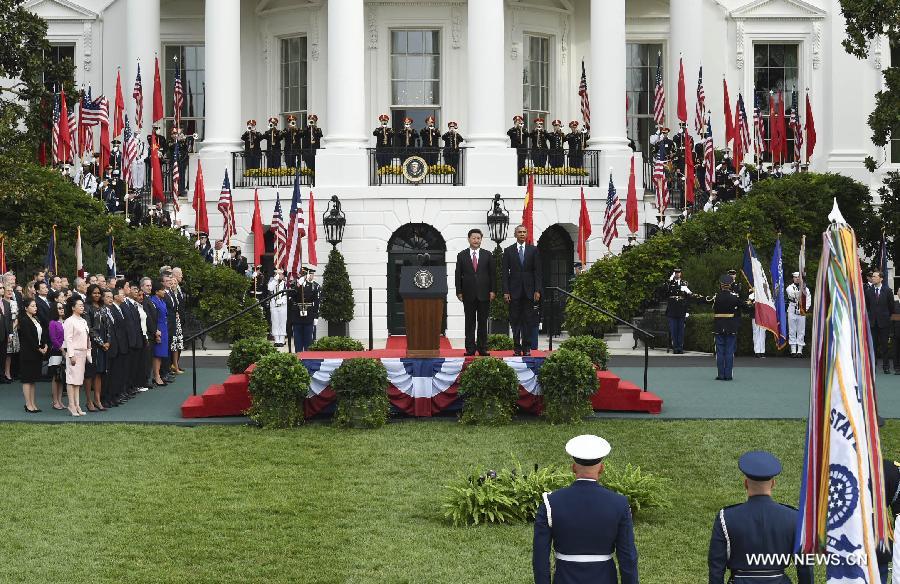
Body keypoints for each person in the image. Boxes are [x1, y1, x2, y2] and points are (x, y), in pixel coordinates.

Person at [533, 434, 638, 584]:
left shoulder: (550, 502)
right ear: (601, 468)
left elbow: (540, 559)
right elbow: (628, 557)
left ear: (573, 467)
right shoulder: (619, 503)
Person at [708, 451, 813, 584]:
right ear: (773, 483)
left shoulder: (726, 517)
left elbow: (716, 567)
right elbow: (805, 567)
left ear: (746, 484)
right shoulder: (794, 517)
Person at [502, 225, 542, 356]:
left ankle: (526, 348)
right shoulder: (508, 251)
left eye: (524, 232)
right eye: (519, 232)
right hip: (514, 292)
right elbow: (504, 274)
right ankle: (517, 348)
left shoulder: (533, 250)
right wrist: (506, 291)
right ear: (515, 234)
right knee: (515, 321)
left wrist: (537, 290)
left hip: (530, 292)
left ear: (527, 234)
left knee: (528, 320)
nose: (522, 234)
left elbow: (537, 272)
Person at [455, 228, 495, 356]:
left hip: (484, 294)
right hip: (468, 294)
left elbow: (492, 275)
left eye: (478, 238)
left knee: (483, 322)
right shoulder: (461, 255)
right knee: (470, 322)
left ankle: (482, 348)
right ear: (469, 239)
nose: (476, 240)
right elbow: (458, 275)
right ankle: (470, 349)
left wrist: (492, 290)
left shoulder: (488, 254)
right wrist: (459, 291)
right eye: (474, 238)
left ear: (481, 240)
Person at [63, 297, 91, 417]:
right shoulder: (69, 321)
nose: (82, 307)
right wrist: (71, 354)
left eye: (82, 305)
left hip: (83, 353)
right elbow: (68, 339)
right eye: (79, 305)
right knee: (71, 379)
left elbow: (87, 337)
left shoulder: (83, 321)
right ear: (73, 307)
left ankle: (77, 405)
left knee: (78, 381)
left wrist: (88, 352)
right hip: (74, 352)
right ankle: (71, 405)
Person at [18, 299, 47, 412]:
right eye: (32, 306)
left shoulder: (36, 319)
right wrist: (38, 348)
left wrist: (45, 345)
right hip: (28, 353)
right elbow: (29, 338)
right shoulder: (24, 320)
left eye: (35, 306)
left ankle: (33, 403)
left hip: (37, 353)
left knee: (33, 379)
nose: (35, 308)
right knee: (27, 379)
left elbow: (42, 333)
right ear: (26, 308)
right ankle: (28, 404)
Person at [712, 274, 742, 381]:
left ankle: (720, 374)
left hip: (719, 326)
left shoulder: (716, 297)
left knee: (720, 352)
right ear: (730, 285)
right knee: (729, 351)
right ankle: (728, 375)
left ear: (721, 285)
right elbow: (740, 308)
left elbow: (713, 308)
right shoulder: (734, 297)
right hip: (731, 326)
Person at [865, 270, 895, 374]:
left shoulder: (887, 291)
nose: (872, 278)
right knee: (872, 346)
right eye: (872, 276)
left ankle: (886, 367)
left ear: (881, 279)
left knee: (884, 346)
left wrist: (886, 317)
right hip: (873, 323)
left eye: (875, 276)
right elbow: (867, 306)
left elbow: (891, 307)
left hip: (884, 323)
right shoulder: (868, 291)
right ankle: (872, 366)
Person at [85, 284, 109, 411]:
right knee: (90, 374)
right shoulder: (87, 307)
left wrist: (108, 341)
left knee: (100, 373)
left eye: (99, 293)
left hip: (104, 345)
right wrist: (101, 343)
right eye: (94, 293)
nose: (97, 295)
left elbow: (108, 325)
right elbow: (90, 329)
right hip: (92, 345)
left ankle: (97, 400)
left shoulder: (103, 307)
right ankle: (89, 401)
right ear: (90, 294)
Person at [288, 267, 320, 352]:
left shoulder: (313, 286)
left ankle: (307, 358)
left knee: (308, 340)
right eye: (301, 275)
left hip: (308, 315)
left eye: (304, 275)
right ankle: (298, 357)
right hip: (297, 315)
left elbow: (316, 302)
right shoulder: (294, 285)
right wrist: (298, 286)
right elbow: (291, 296)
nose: (302, 276)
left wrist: (316, 316)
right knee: (297, 339)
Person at [665, 268, 692, 354]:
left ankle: (680, 348)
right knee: (673, 330)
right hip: (672, 310)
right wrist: (670, 279)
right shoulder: (670, 283)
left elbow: (687, 298)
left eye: (679, 272)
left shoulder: (684, 283)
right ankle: (675, 348)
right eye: (676, 273)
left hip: (681, 310)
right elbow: (664, 290)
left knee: (681, 330)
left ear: (681, 273)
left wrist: (687, 310)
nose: (677, 274)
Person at [785, 272, 811, 358]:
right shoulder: (789, 287)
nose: (797, 279)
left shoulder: (806, 289)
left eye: (798, 277)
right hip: (792, 309)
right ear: (793, 278)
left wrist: (804, 309)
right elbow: (793, 294)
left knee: (801, 330)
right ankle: (793, 350)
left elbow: (808, 300)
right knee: (792, 330)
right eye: (795, 277)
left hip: (801, 310)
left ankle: (799, 350)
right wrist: (801, 291)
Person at [149, 280, 169, 386]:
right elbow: (153, 318)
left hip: (164, 328)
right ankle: (156, 376)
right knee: (157, 354)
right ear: (156, 291)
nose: (164, 291)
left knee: (161, 354)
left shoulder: (161, 300)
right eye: (162, 290)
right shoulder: (153, 301)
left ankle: (159, 375)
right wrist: (156, 332)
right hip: (159, 329)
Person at [47, 301, 66, 410]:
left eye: (62, 307)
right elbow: (53, 339)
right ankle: (55, 401)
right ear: (55, 310)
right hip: (56, 352)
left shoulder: (66, 321)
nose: (61, 309)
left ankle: (60, 400)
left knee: (62, 377)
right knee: (56, 376)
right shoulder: (53, 323)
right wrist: (61, 349)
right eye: (59, 308)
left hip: (66, 351)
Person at [268, 268, 288, 346]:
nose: (279, 275)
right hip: (273, 305)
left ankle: (282, 340)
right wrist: (275, 280)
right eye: (278, 274)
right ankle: (277, 340)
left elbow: (287, 294)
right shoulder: (272, 282)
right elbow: (270, 288)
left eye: (280, 274)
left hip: (283, 305)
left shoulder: (285, 283)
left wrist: (282, 300)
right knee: (275, 322)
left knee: (282, 322)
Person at [3, 283, 19, 384]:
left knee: (10, 354)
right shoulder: (1, 302)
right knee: (4, 353)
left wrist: (12, 329)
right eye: (7, 290)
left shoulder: (14, 302)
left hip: (13, 330)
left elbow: (17, 317)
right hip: (4, 331)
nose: (9, 292)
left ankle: (8, 373)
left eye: (11, 290)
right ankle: (4, 373)